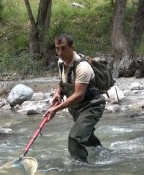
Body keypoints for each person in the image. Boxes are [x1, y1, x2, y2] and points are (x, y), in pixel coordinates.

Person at [44, 34, 106, 163]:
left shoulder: (82, 67)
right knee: (85, 135)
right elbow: (63, 82)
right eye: (57, 48)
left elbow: (79, 95)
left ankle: (82, 170)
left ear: (72, 47)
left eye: (63, 48)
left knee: (75, 138)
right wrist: (58, 93)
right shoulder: (61, 62)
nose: (60, 52)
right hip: (77, 108)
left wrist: (56, 109)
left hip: (92, 106)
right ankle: (103, 153)